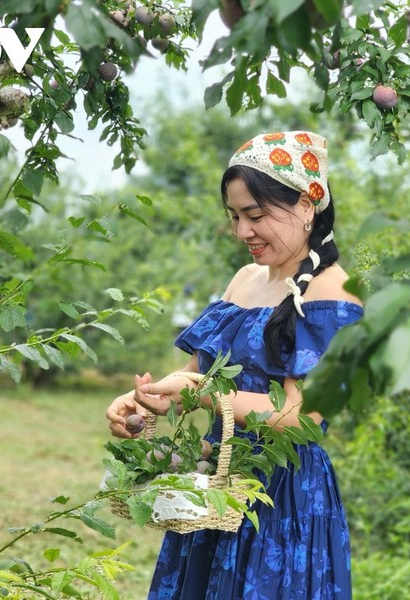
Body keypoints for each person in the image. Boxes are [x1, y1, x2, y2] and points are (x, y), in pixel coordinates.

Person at [106, 130, 363, 599]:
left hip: (283, 495)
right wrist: (154, 394)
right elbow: (197, 371)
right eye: (235, 216)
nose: (242, 231)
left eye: (256, 215)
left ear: (308, 206)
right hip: (217, 483)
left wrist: (204, 393)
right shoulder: (245, 279)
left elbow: (302, 419)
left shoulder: (336, 295)